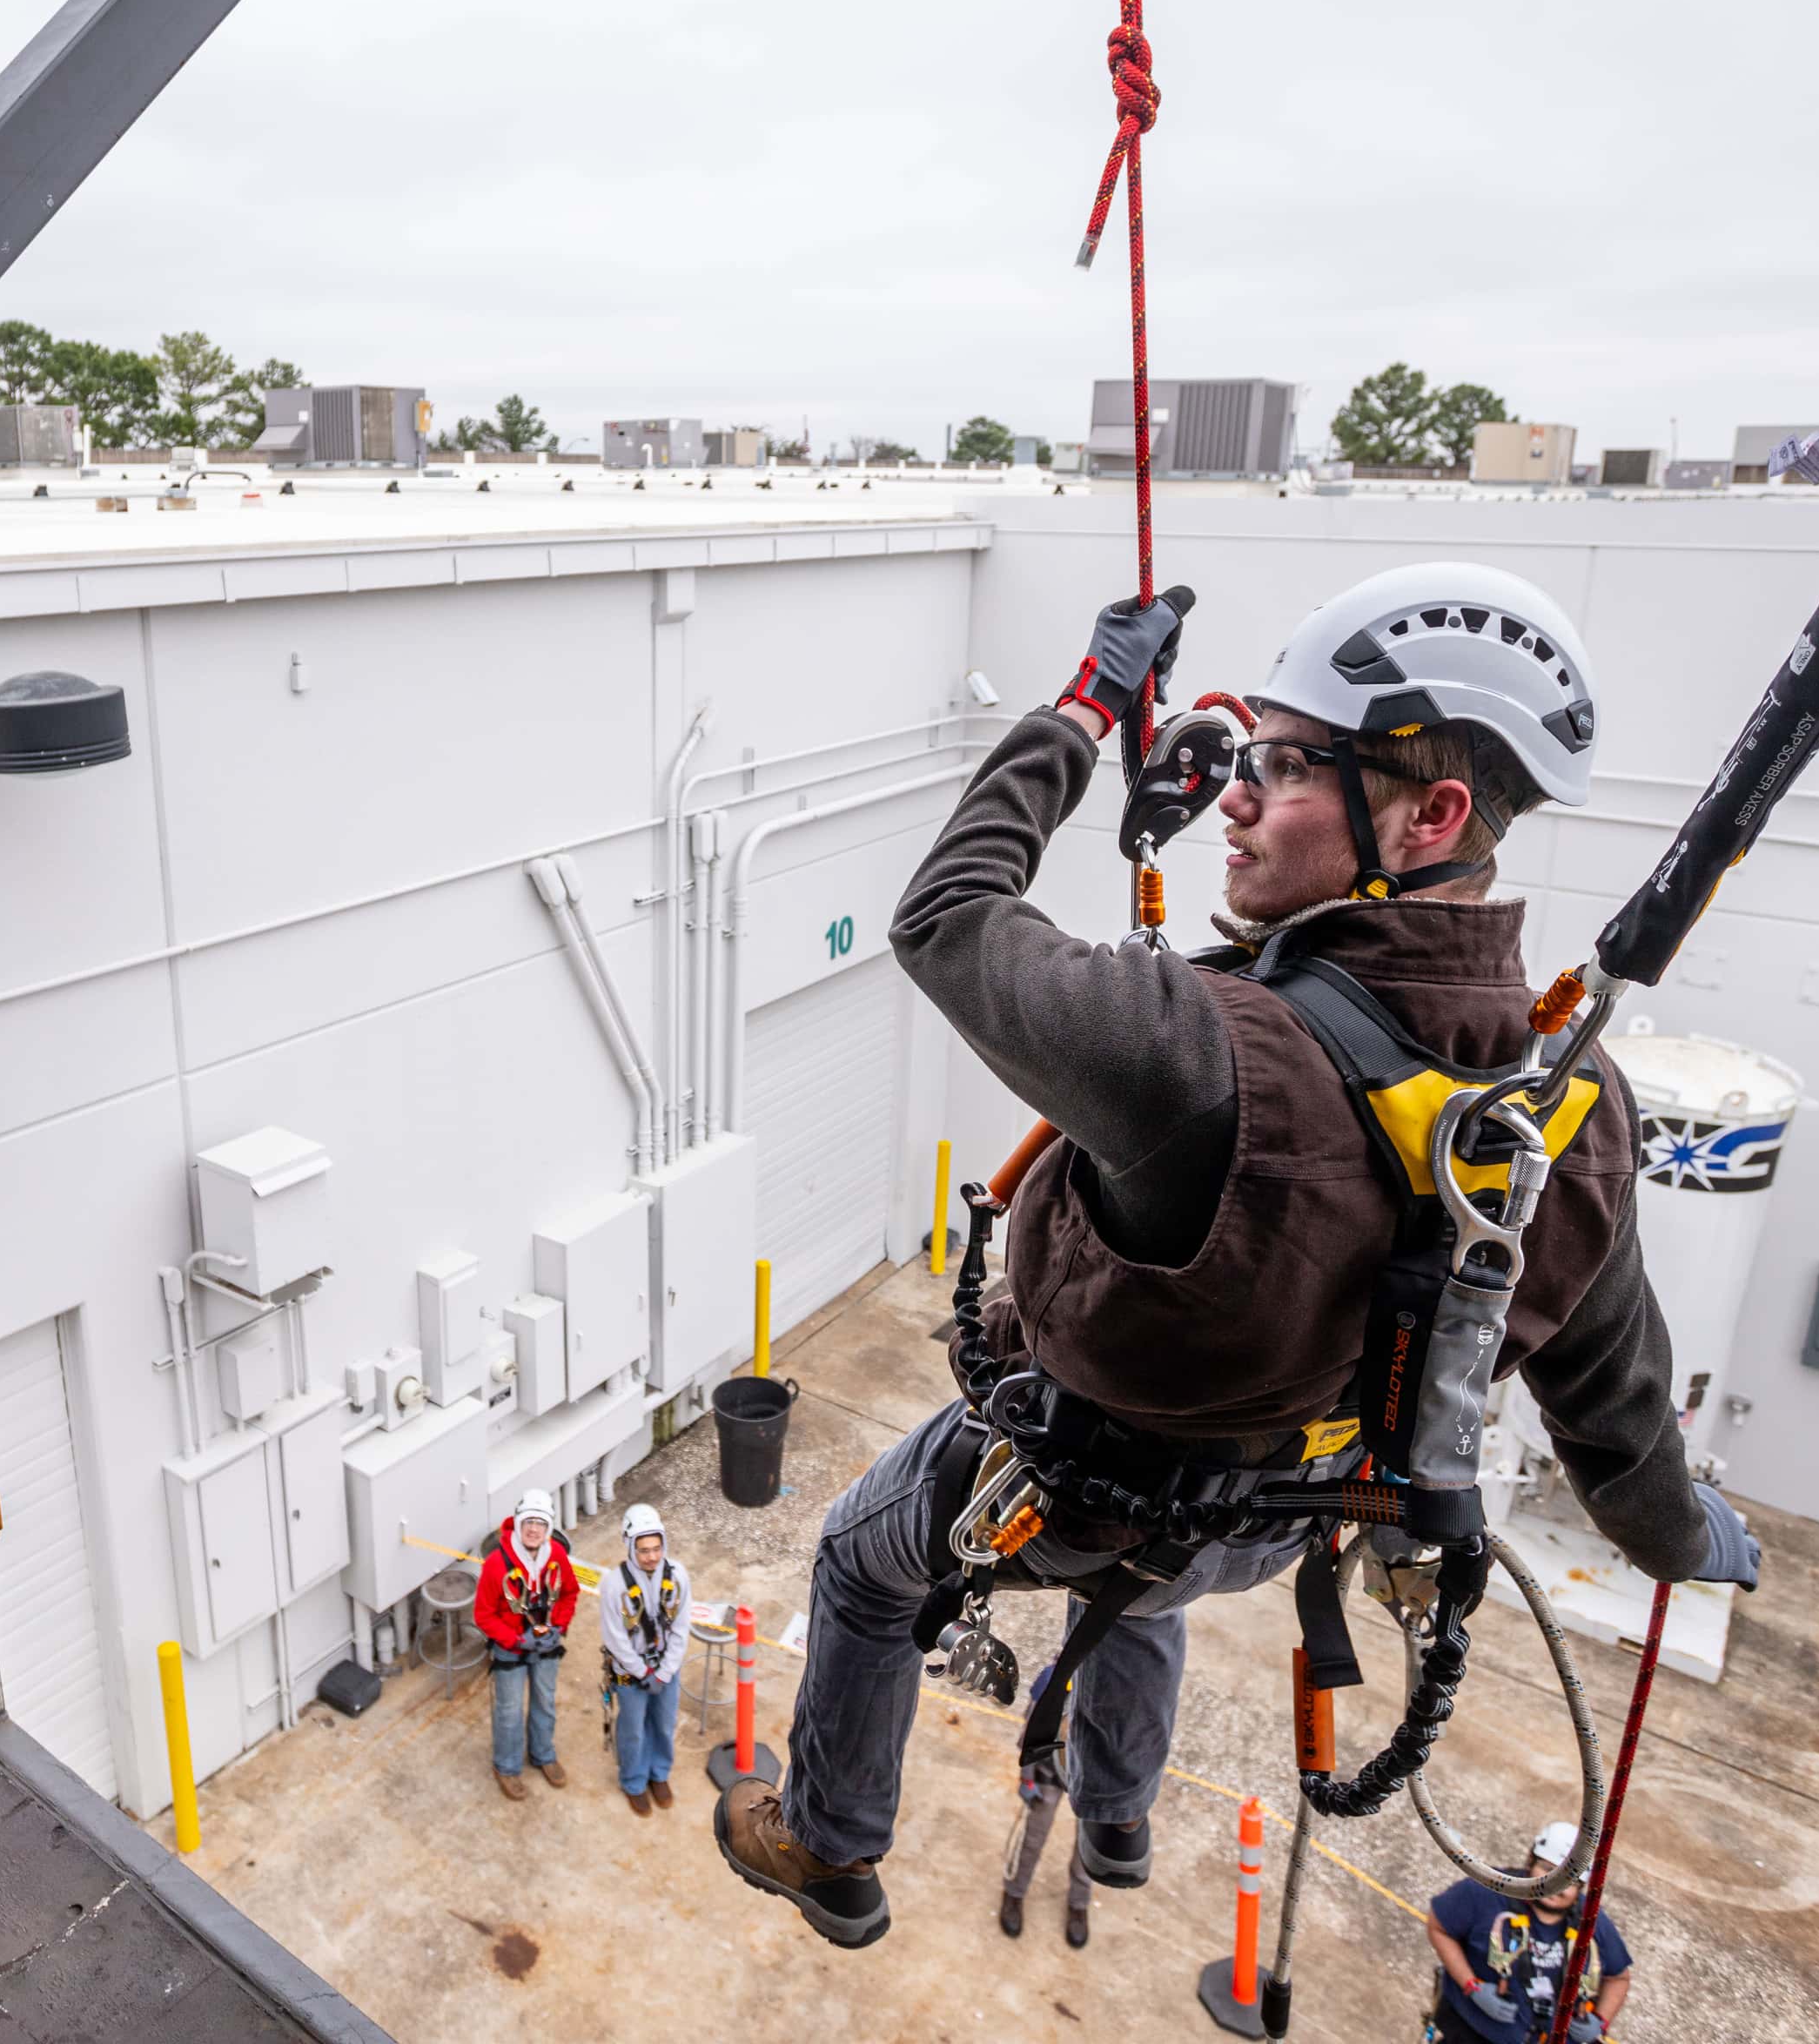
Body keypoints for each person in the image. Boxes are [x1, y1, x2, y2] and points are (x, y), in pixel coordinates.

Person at [716, 563, 1762, 1948]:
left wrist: (1088, 709)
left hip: (1079, 1486)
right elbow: (1619, 1422)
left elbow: (947, 920)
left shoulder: (1199, 1052)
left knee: (863, 1557)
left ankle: (832, 1848)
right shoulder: (1573, 1110)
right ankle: (1118, 1817)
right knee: (1142, 1601)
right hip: (1271, 1529)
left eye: (1282, 766)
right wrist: (1689, 1542)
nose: (1235, 796)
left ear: (1431, 814)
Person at [1424, 1825, 1632, 2043]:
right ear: (1531, 1860)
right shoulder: (1487, 1892)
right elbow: (1439, 1928)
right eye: (1547, 1869)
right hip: (1473, 2034)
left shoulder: (1592, 1923)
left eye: (1569, 1880)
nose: (1555, 1885)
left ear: (1581, 1886)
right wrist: (1472, 1986)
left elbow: (1619, 1978)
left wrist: (1600, 2021)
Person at [476, 1490, 581, 1798]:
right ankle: (506, 1766)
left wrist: (558, 1626)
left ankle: (543, 1754)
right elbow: (484, 1614)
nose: (534, 1529)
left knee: (545, 1701)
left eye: (541, 1523)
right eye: (529, 1522)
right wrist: (513, 1639)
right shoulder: (497, 1564)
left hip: (546, 1642)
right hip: (511, 1646)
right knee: (509, 1710)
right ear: (519, 1524)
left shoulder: (556, 1557)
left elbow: (569, 1593)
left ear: (548, 1528)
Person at [600, 1502, 691, 1815]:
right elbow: (615, 1637)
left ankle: (659, 1774)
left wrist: (665, 1672)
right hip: (630, 1672)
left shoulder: (678, 1576)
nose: (651, 1556)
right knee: (633, 1728)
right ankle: (634, 1781)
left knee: (664, 1723)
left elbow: (680, 1627)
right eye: (643, 1550)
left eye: (656, 1548)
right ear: (630, 1547)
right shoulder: (614, 1586)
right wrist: (641, 1672)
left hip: (667, 1668)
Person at [996, 1737, 1094, 1949]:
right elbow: (1038, 1712)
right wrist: (1027, 1776)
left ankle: (1079, 1902)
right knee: (1033, 1837)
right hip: (1050, 1764)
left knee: (1089, 1847)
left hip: (1095, 1777)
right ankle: (1015, 1890)